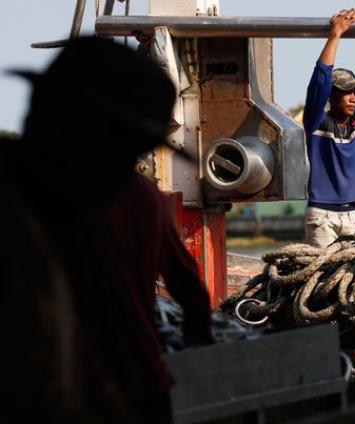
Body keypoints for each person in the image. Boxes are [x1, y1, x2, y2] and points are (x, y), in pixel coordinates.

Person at [0, 37, 214, 423]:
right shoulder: (141, 199)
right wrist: (199, 335)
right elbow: (190, 289)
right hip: (136, 388)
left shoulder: (27, 195)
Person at [303, 8, 355, 248]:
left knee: (351, 280)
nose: (353, 97)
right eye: (346, 92)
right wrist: (335, 34)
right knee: (321, 281)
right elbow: (320, 80)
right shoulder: (316, 122)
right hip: (321, 217)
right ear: (332, 96)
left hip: (353, 215)